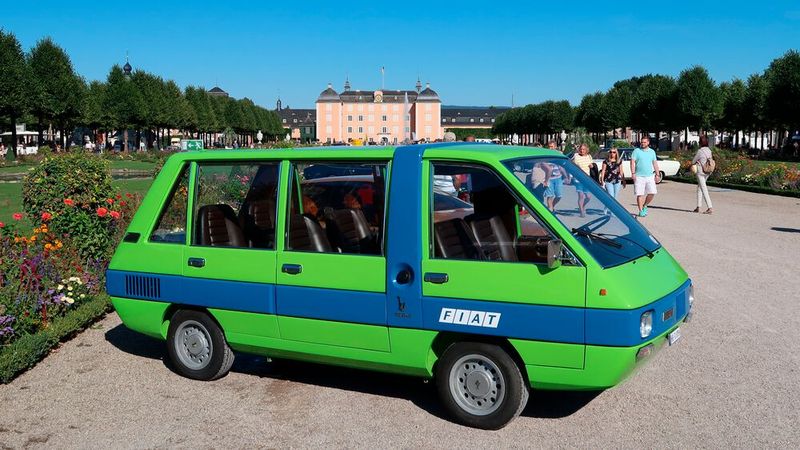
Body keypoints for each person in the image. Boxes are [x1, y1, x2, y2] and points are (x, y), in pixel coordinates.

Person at [630, 136, 660, 217]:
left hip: (649, 176)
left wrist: (657, 174)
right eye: (642, 142)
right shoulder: (636, 151)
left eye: (644, 142)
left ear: (648, 143)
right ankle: (640, 211)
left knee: (652, 192)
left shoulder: (652, 152)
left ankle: (645, 205)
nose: (642, 143)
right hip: (639, 176)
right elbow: (632, 162)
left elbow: (655, 163)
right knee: (640, 194)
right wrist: (633, 173)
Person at [600, 147, 626, 214]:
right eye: (611, 152)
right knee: (611, 196)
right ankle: (608, 208)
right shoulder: (606, 161)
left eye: (614, 152)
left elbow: (621, 171)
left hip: (617, 181)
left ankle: (612, 211)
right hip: (608, 180)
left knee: (615, 197)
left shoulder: (619, 161)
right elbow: (603, 171)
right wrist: (602, 180)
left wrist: (624, 181)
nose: (612, 153)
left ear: (616, 153)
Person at [692, 135, 713, 214]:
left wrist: (697, 162)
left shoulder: (700, 151)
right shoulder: (709, 150)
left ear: (700, 142)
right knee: (700, 188)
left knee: (703, 189)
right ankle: (698, 206)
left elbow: (693, 161)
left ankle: (710, 207)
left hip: (700, 172)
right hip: (708, 171)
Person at [571, 143, 594, 217]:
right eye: (581, 149)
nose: (582, 150)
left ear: (586, 150)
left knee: (588, 197)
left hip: (587, 179)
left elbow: (592, 164)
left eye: (583, 149)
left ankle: (582, 206)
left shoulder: (589, 156)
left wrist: (591, 166)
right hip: (578, 179)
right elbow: (571, 164)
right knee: (581, 196)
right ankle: (581, 211)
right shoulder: (576, 156)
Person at [541, 141, 565, 211]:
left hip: (558, 178)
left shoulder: (558, 154)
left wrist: (566, 176)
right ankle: (550, 211)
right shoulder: (545, 154)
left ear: (555, 147)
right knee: (550, 196)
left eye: (552, 146)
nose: (550, 148)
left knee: (559, 195)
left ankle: (552, 206)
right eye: (549, 146)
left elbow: (563, 164)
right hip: (549, 178)